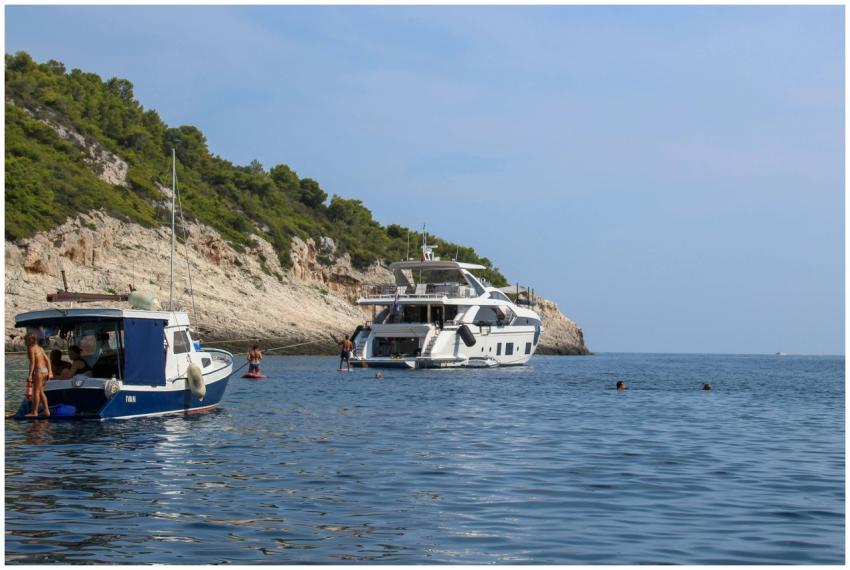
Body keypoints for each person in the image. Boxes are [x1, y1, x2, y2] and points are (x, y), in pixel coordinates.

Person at [25, 332, 53, 417]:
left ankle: (34, 412)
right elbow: (47, 360)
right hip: (45, 371)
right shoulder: (40, 348)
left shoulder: (31, 348)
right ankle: (46, 411)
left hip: (39, 371)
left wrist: (30, 375)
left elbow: (32, 363)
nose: (25, 341)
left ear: (30, 340)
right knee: (41, 392)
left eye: (26, 339)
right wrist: (50, 371)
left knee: (36, 392)